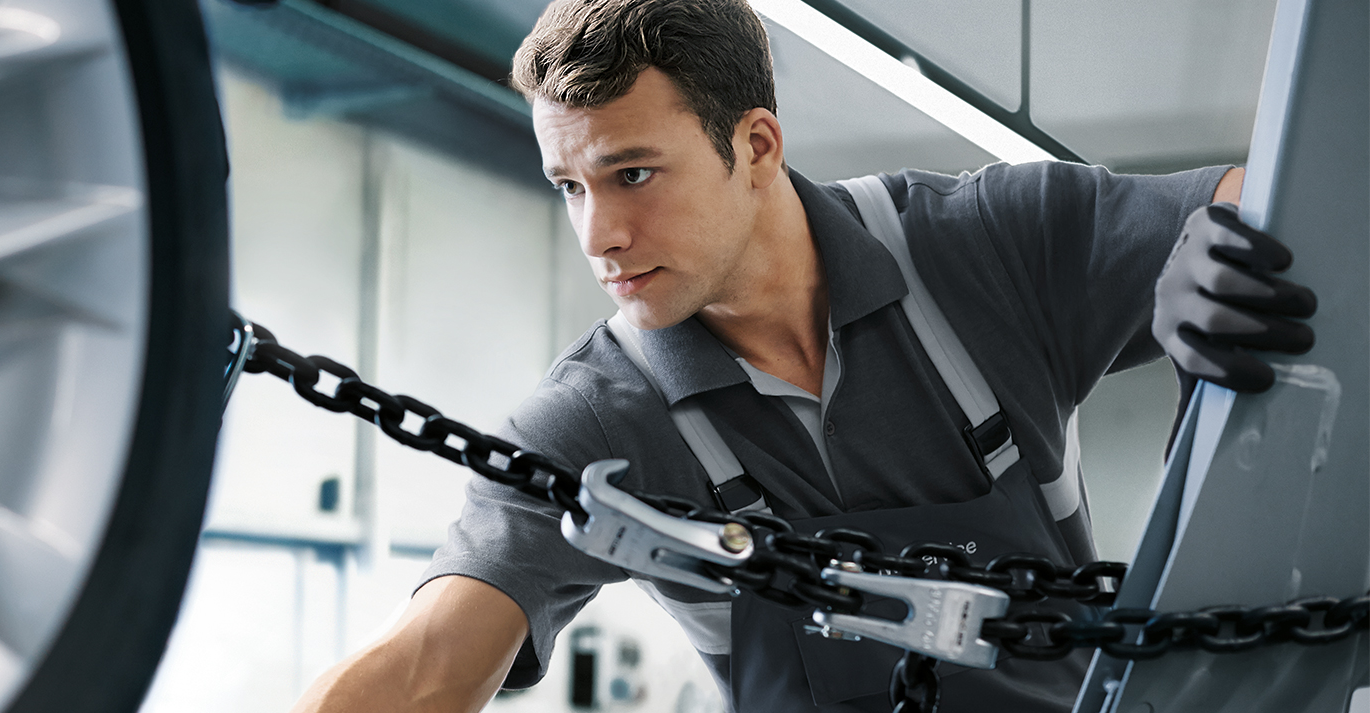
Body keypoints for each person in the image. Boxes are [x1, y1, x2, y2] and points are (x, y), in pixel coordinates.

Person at [290, 0, 1317, 711]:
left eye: (632, 173)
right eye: (569, 187)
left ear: (757, 146)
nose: (598, 234)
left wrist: (1222, 250)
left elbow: (1278, 203)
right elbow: (424, 667)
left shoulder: (990, 246)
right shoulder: (593, 420)